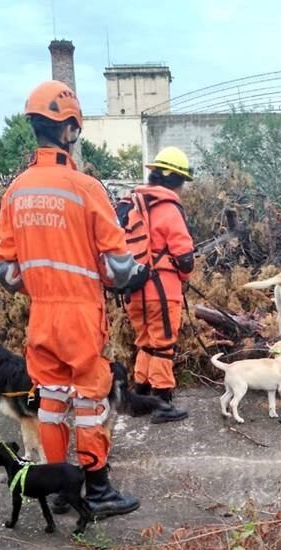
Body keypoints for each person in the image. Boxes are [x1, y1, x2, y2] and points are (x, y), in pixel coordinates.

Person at [0, 80, 145, 519]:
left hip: (41, 315)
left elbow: (4, 272)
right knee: (92, 401)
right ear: (70, 130)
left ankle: (60, 488)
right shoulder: (86, 188)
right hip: (80, 313)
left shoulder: (16, 192)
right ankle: (96, 490)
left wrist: (41, 284)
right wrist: (129, 275)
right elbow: (119, 269)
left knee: (52, 400)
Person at [122, 147, 195, 423]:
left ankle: (139, 396)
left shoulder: (133, 204)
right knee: (163, 345)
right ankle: (163, 403)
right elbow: (185, 257)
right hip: (162, 292)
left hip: (134, 289)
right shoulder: (168, 208)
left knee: (145, 343)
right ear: (176, 180)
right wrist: (183, 276)